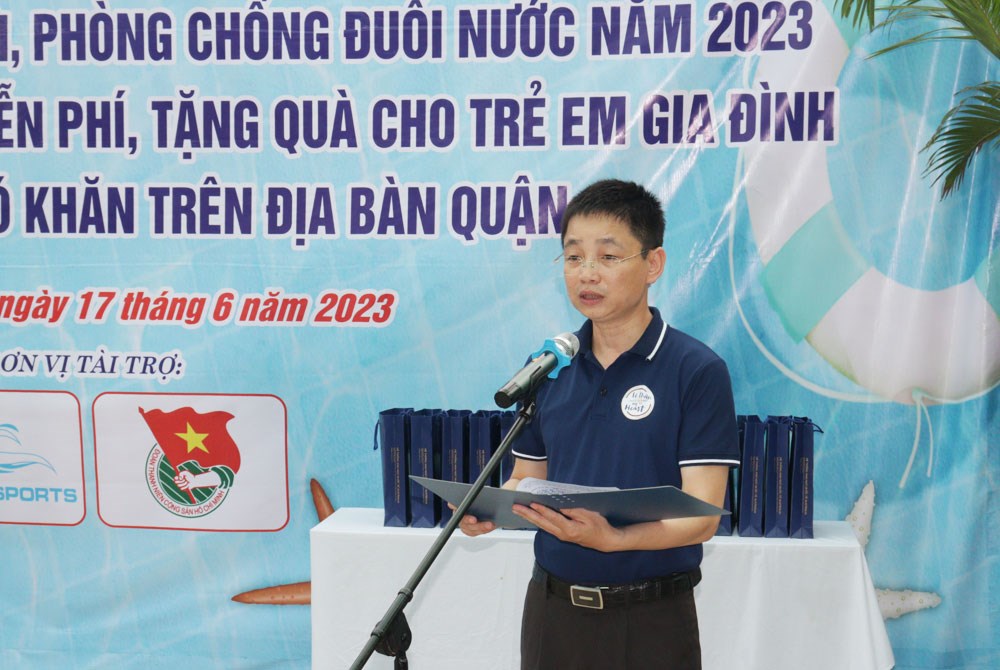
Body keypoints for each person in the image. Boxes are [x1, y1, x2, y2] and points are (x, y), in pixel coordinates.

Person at [458, 178, 740, 669]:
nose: (587, 273)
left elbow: (702, 517)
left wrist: (617, 539)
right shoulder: (548, 366)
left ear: (653, 264)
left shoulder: (696, 370)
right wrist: (491, 508)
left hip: (652, 618)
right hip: (552, 613)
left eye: (608, 257)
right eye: (573, 257)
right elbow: (528, 479)